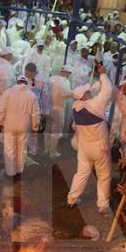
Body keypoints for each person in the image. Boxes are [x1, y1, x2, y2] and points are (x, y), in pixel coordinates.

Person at [66, 68, 114, 213]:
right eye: (87, 92)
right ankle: (103, 204)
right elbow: (108, 91)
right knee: (103, 175)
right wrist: (103, 74)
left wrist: (98, 82)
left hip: (84, 147)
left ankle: (72, 198)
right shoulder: (95, 105)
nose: (89, 92)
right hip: (100, 147)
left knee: (81, 173)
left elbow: (92, 93)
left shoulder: (76, 107)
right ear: (84, 96)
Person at [0, 76, 41, 178]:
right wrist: (35, 127)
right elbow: (35, 114)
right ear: (25, 83)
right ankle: (20, 170)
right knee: (22, 148)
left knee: (9, 149)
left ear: (17, 82)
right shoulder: (31, 95)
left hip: (10, 125)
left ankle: (11, 172)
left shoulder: (8, 92)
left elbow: (1, 109)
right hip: (24, 126)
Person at [45, 65, 74, 156]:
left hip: (48, 107)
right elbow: (64, 93)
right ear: (65, 72)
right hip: (58, 108)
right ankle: (52, 152)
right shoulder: (64, 81)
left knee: (48, 127)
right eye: (69, 73)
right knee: (56, 130)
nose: (69, 75)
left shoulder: (51, 78)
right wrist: (75, 93)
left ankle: (47, 148)